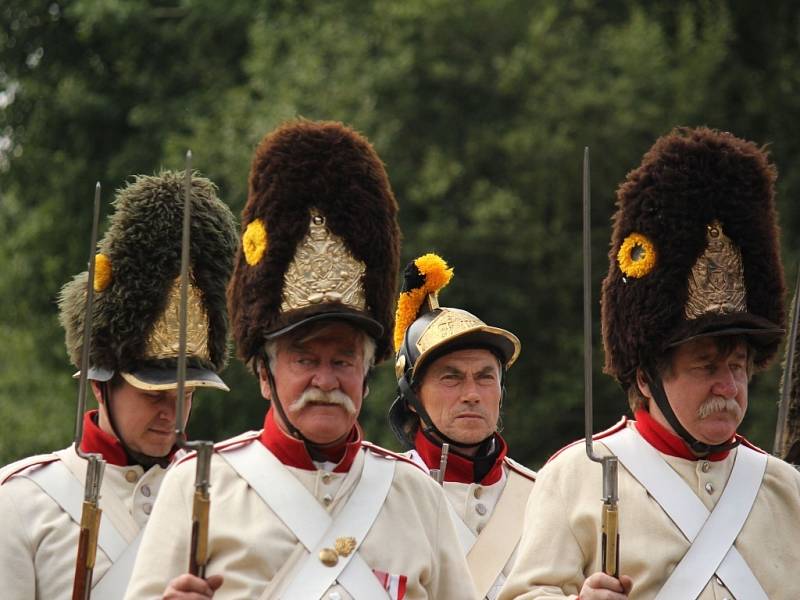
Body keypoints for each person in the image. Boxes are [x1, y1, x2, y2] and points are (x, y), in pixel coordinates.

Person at [124, 119, 478, 600]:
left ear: (366, 376)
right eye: (304, 359)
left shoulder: (416, 494)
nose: (325, 380)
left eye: (343, 360)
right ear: (265, 375)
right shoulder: (200, 483)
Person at [499, 127, 800, 600]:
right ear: (647, 375)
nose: (728, 385)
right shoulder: (574, 476)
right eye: (706, 366)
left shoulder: (787, 489)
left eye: (737, 366)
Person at [0, 171, 238, 599]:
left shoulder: (230, 498)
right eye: (153, 394)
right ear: (100, 385)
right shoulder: (20, 502)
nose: (173, 414)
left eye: (185, 395)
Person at [388, 253, 536, 599]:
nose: (472, 394)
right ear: (412, 397)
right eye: (450, 378)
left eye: (485, 377)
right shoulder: (383, 490)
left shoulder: (543, 495)